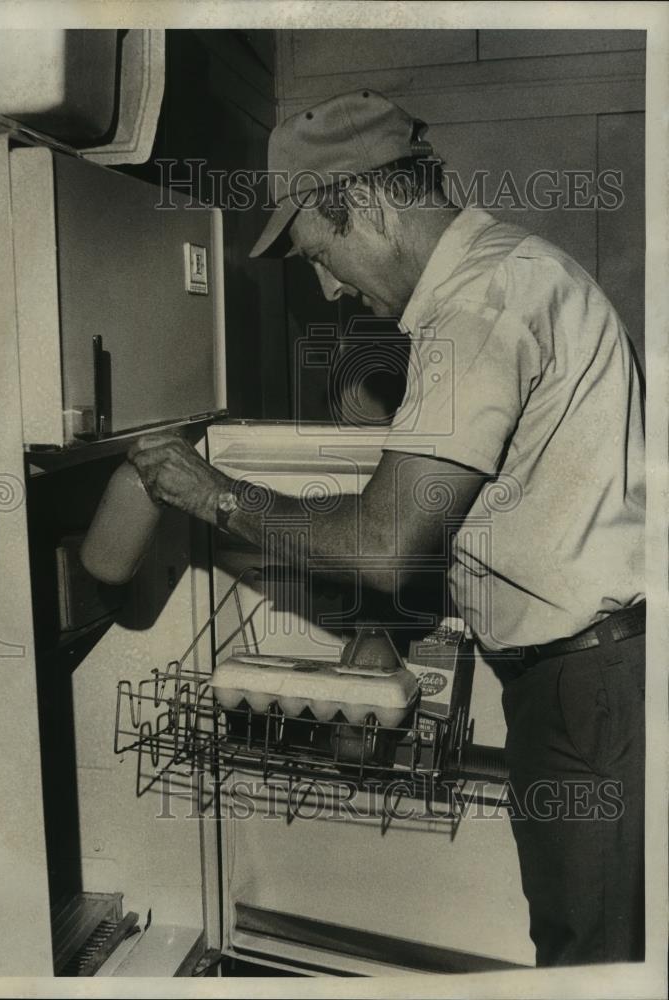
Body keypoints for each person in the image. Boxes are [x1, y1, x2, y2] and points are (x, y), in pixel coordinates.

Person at [127, 89, 645, 967]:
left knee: (590, 959)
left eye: (318, 250)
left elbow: (381, 540)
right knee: (586, 935)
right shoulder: (507, 275)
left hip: (586, 688)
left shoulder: (478, 304)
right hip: (589, 678)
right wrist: (383, 626)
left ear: (361, 200)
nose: (328, 285)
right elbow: (478, 516)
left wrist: (212, 492)